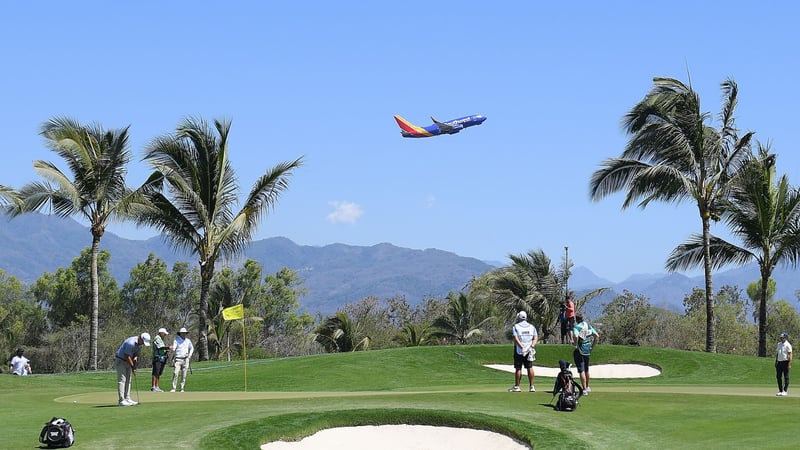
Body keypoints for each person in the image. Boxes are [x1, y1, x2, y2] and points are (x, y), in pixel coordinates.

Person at [115, 332, 151, 406]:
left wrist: (135, 365)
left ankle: (127, 398)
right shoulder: (130, 343)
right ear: (140, 338)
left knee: (128, 380)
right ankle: (121, 400)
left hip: (128, 361)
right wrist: (133, 366)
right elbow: (127, 356)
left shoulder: (140, 345)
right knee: (122, 380)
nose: (143, 344)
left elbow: (135, 355)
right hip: (121, 360)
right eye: (143, 342)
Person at [508, 310, 538, 393]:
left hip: (519, 350)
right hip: (529, 350)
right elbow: (535, 338)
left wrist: (522, 346)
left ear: (519, 318)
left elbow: (515, 338)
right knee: (529, 367)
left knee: (518, 368)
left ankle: (517, 386)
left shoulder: (516, 326)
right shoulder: (532, 327)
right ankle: (532, 386)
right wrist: (531, 346)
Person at [572, 313, 599, 395]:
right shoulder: (588, 326)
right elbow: (597, 336)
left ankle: (584, 389)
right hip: (587, 350)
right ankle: (587, 386)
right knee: (586, 369)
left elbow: (576, 337)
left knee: (581, 370)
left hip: (580, 350)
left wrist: (575, 345)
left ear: (576, 319)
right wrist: (592, 347)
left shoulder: (577, 327)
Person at [171, 327, 194, 392]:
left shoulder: (188, 341)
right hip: (178, 359)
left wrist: (189, 356)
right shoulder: (176, 340)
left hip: (186, 359)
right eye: (182, 333)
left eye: (185, 333)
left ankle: (182, 388)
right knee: (176, 373)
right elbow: (174, 348)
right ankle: (174, 388)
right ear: (180, 334)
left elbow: (192, 348)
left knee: (184, 375)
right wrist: (172, 348)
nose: (184, 334)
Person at [151, 327, 170, 392]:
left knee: (158, 373)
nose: (165, 335)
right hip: (157, 358)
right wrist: (168, 347)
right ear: (161, 333)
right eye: (164, 334)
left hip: (162, 358)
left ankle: (157, 386)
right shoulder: (157, 338)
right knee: (155, 372)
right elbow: (160, 348)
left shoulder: (161, 339)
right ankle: (153, 386)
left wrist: (166, 350)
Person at [776, 332, 793, 396]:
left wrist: (789, 363)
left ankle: (785, 391)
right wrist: (776, 361)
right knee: (778, 376)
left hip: (785, 362)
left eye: (782, 337)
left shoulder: (788, 345)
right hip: (779, 362)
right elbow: (778, 353)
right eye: (781, 337)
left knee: (786, 377)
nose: (781, 338)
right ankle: (780, 390)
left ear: (785, 338)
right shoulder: (779, 344)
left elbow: (790, 354)